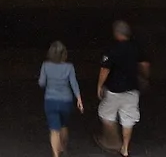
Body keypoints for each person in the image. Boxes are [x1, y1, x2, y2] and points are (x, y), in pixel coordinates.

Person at [96, 20, 149, 156]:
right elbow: (144, 65)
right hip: (132, 89)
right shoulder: (136, 47)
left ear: (116, 33)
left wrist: (100, 85)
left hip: (114, 89)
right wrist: (144, 78)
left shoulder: (111, 49)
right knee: (128, 120)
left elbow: (104, 69)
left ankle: (113, 141)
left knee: (106, 114)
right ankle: (125, 148)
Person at [38, 39, 83, 156]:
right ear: (64, 54)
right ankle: (63, 148)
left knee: (54, 129)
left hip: (50, 100)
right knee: (63, 126)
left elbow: (41, 83)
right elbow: (74, 83)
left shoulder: (45, 65)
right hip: (66, 101)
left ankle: (56, 154)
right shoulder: (69, 67)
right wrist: (79, 98)